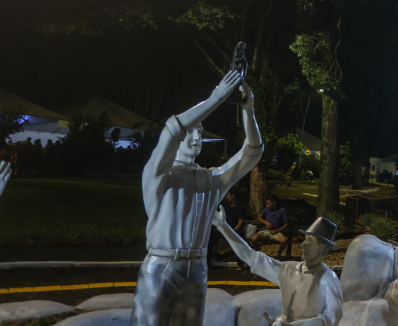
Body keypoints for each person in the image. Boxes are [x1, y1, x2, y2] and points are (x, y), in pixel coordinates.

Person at [131, 71, 263, 326]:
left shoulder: (211, 179)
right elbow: (173, 129)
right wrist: (217, 98)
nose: (196, 138)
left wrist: (249, 111)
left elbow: (253, 152)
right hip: (161, 265)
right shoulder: (158, 173)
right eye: (191, 132)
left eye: (200, 133)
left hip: (198, 268)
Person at [213, 211, 343, 326]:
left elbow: (331, 318)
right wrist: (223, 226)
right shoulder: (288, 270)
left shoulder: (327, 278)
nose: (303, 244)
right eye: (304, 239)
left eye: (310, 241)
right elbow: (250, 257)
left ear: (321, 247)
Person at [208, 191, 247, 268]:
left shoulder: (241, 207)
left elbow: (240, 222)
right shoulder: (225, 207)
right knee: (211, 236)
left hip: (234, 230)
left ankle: (240, 263)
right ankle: (208, 262)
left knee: (239, 238)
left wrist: (232, 231)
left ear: (233, 196)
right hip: (224, 230)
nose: (227, 196)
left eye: (228, 195)